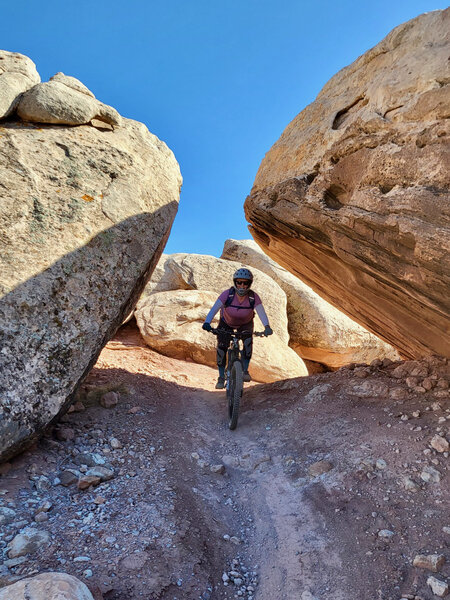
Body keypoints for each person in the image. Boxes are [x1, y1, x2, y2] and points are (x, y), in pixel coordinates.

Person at [202, 268, 273, 389]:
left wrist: (267, 326)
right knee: (222, 347)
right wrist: (207, 322)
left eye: (245, 283)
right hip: (226, 323)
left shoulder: (253, 297)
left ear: (249, 284)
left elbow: (261, 312)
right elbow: (215, 309)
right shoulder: (227, 294)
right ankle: (221, 377)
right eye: (239, 282)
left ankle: (244, 370)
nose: (242, 285)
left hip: (245, 324)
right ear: (235, 283)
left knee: (248, 344)